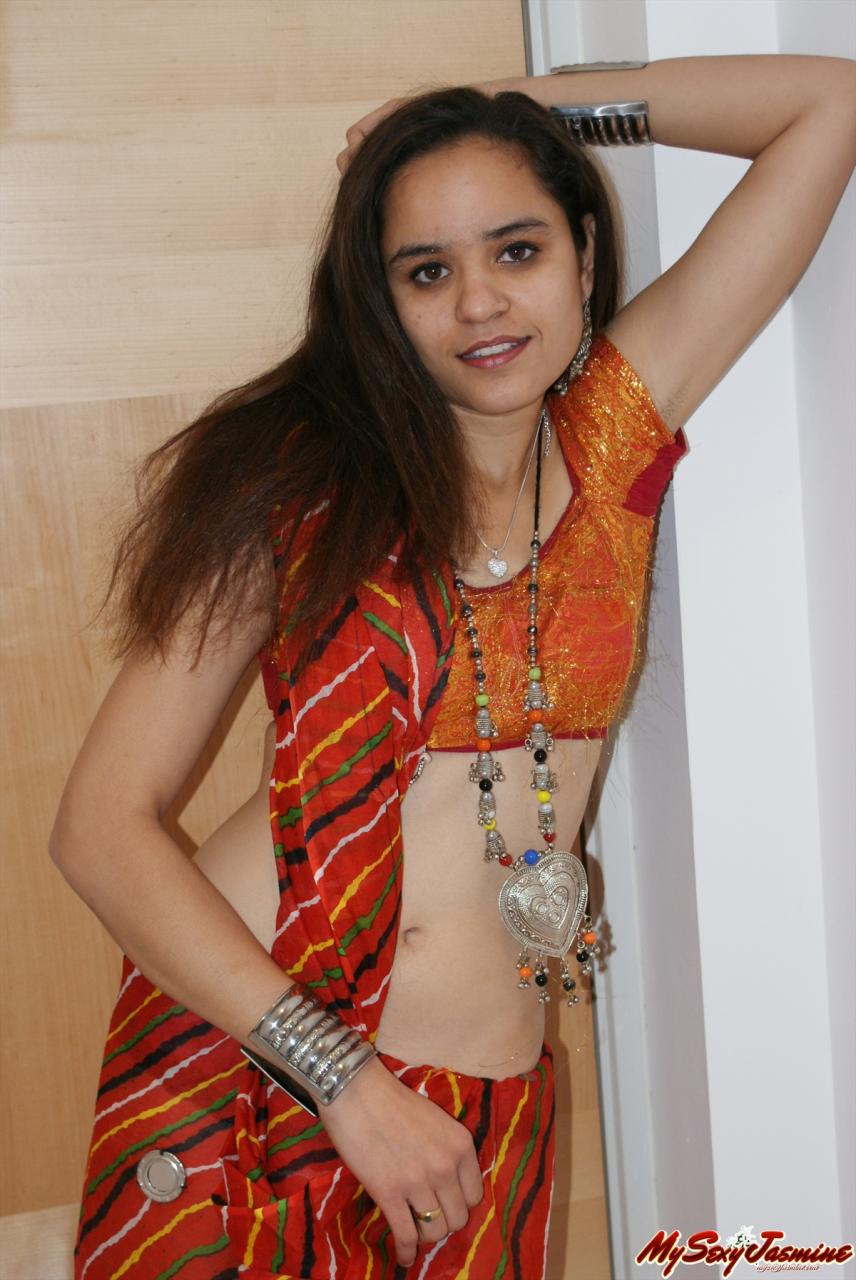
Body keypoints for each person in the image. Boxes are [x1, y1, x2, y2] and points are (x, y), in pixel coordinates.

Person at [52, 54, 855, 1280]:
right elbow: (100, 829)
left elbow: (828, 106)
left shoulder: (610, 439)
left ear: (583, 255)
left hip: (475, 1119)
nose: (480, 301)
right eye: (427, 271)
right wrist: (346, 1080)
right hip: (252, 1082)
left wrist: (522, 106)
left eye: (516, 250)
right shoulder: (295, 482)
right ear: (381, 303)